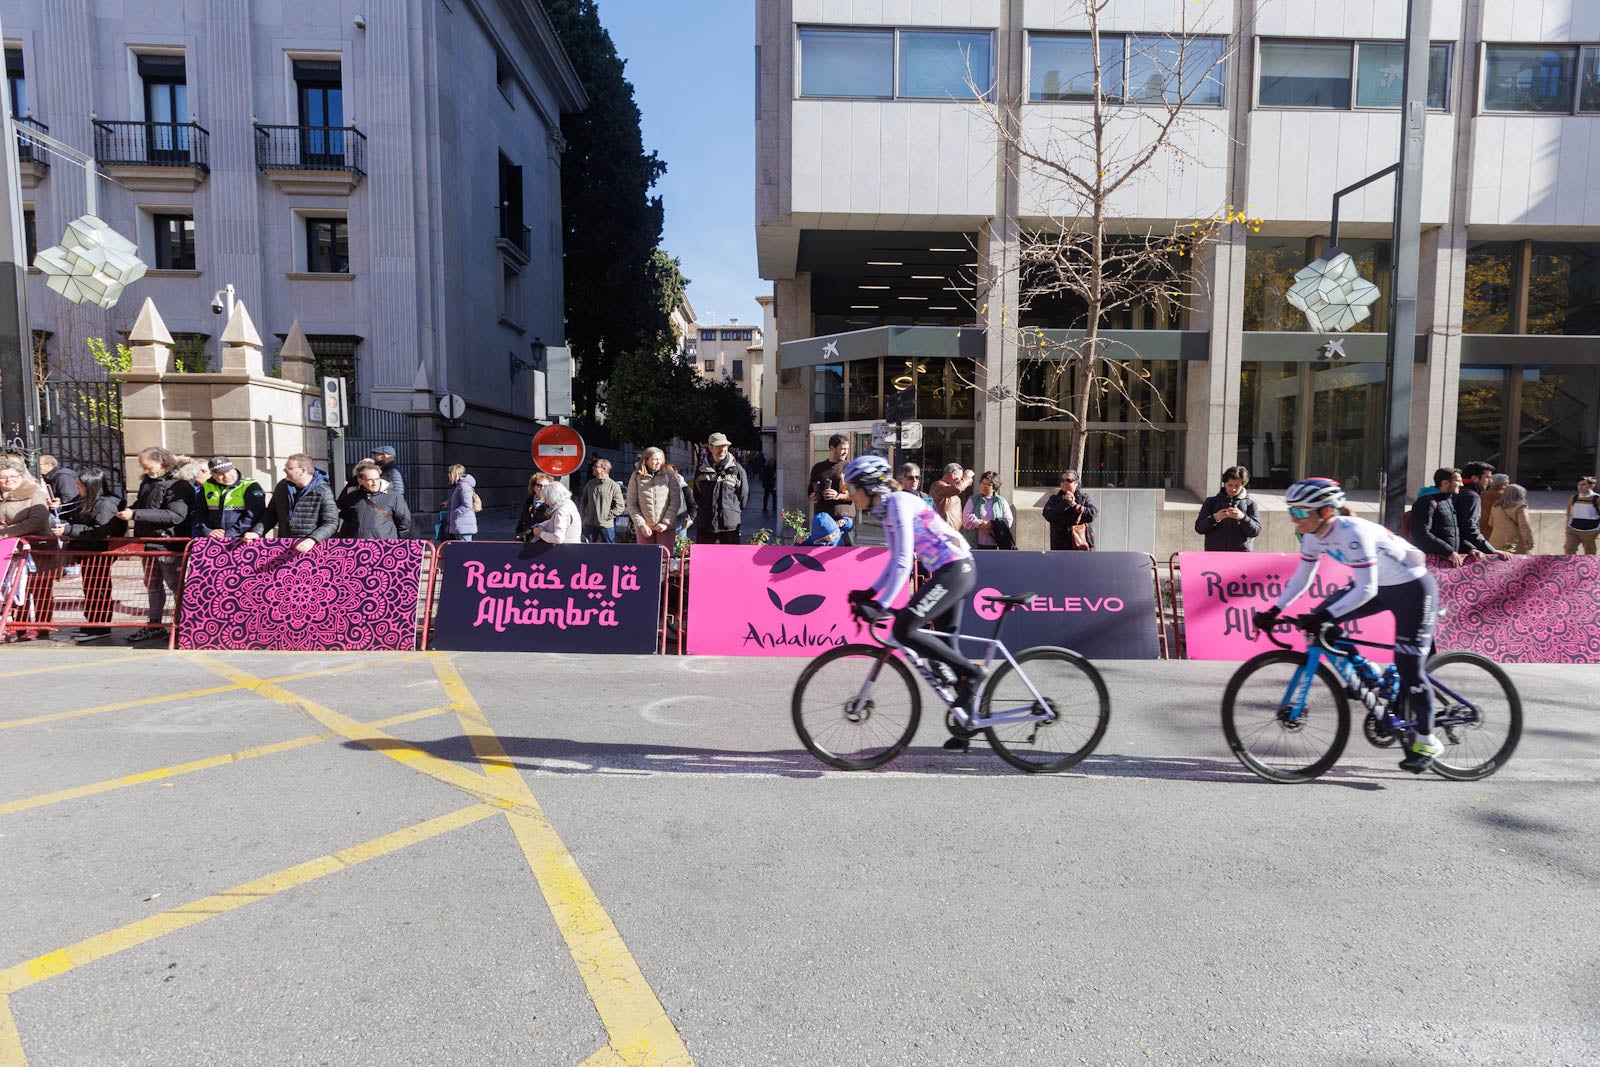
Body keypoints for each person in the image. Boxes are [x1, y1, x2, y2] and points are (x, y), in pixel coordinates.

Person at [1252, 478, 1444, 774]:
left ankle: (1427, 739)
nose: (1294, 518)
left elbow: (1364, 590)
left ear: (1325, 512)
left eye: (1301, 512)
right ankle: (1368, 673)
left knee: (1409, 666)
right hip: (1379, 587)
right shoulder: (1313, 534)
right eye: (1292, 511)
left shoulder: (1353, 532)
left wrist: (1324, 617)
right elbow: (1302, 579)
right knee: (1320, 621)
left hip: (1413, 589)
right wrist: (1274, 609)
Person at [840, 455, 984, 751]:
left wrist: (883, 605)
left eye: (854, 488)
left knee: (905, 628)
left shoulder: (899, 504)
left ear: (870, 486)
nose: (851, 495)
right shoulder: (885, 510)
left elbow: (906, 562)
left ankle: (973, 674)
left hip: (955, 568)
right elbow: (894, 560)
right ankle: (967, 724)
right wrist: (870, 593)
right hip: (951, 569)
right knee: (946, 651)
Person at [115, 446, 193, 643]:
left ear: (162, 463)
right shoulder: (149, 483)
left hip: (168, 544)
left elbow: (176, 515)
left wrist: (136, 514)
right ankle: (154, 625)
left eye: (148, 466)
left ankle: (184, 626)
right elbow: (145, 506)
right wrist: (130, 511)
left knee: (176, 587)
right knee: (153, 586)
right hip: (150, 543)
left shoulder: (179, 485)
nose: (145, 470)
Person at [53, 467, 125, 642]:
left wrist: (69, 529)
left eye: (80, 485)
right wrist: (58, 508)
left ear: (90, 486)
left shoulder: (105, 504)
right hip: (86, 550)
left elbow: (100, 531)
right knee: (91, 588)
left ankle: (100, 625)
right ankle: (92, 622)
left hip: (98, 551)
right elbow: (73, 515)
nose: (76, 488)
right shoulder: (84, 500)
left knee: (98, 589)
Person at [0, 457, 54, 640]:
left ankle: (41, 625)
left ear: (21, 476)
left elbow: (37, 519)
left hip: (37, 547)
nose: (8, 481)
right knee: (14, 587)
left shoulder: (34, 493)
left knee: (39, 588)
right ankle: (19, 624)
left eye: (12, 476)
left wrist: (6, 532)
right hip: (10, 550)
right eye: (3, 478)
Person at [253, 454, 339, 553]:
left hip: (312, 549)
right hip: (285, 547)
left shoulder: (323, 491)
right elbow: (271, 514)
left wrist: (312, 539)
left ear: (302, 471)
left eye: (288, 468)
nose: (284, 470)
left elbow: (331, 523)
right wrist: (257, 532)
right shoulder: (282, 487)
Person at [692, 432, 748, 545]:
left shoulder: (737, 470)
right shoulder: (701, 470)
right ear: (710, 448)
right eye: (718, 446)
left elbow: (743, 497)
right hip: (706, 523)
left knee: (730, 560)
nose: (722, 450)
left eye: (724, 446)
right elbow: (697, 495)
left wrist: (730, 511)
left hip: (729, 525)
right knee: (705, 559)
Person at [193, 456, 267, 539]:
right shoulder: (207, 486)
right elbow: (199, 512)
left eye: (228, 471)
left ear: (234, 468)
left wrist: (230, 534)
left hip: (244, 539)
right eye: (220, 474)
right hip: (214, 539)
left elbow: (255, 515)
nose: (226, 476)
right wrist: (207, 530)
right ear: (212, 474)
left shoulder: (250, 486)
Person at [339, 460, 412, 539]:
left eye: (377, 479)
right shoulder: (353, 497)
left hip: (384, 547)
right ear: (360, 481)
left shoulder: (394, 497)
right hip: (358, 547)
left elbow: (404, 522)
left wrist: (400, 544)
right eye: (370, 480)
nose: (374, 483)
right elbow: (345, 519)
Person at [1191, 466, 1258, 552]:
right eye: (1230, 485)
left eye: (1237, 486)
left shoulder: (1250, 504)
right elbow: (1199, 528)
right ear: (1224, 484)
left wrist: (1243, 518)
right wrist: (1214, 518)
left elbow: (1255, 531)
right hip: (1215, 554)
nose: (1233, 489)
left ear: (1243, 485)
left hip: (1241, 555)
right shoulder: (1211, 502)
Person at [1454, 461, 1511, 561]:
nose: (1490, 481)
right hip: (1462, 552)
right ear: (1475, 478)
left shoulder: (1457, 492)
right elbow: (1470, 527)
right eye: (1487, 478)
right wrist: (1492, 551)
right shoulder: (1471, 496)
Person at [1409, 468, 1466, 565]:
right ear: (1445, 483)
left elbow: (1451, 535)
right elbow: (1421, 534)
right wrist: (1448, 551)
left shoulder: (1448, 501)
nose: (1462, 485)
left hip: (1445, 563)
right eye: (1458, 481)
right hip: (1429, 563)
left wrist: (1471, 549)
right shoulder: (1427, 502)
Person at [626, 447, 679, 550]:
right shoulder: (636, 476)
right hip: (644, 528)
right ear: (646, 460)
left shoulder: (669, 474)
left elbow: (675, 500)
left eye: (660, 459)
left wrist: (665, 523)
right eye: (655, 459)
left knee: (664, 559)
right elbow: (632, 503)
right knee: (646, 559)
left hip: (665, 528)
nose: (658, 462)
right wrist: (641, 524)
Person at [808, 434, 855, 546]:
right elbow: (810, 491)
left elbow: (855, 494)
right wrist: (812, 495)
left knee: (842, 555)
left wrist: (838, 495)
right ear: (832, 448)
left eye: (847, 449)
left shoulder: (850, 467)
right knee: (822, 554)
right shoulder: (818, 468)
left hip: (843, 519)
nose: (846, 452)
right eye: (842, 449)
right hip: (823, 520)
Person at [1043, 469, 1100, 551]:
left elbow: (1092, 514)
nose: (1064, 483)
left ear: (1076, 483)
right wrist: (1065, 503)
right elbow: (1048, 514)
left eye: (1068, 480)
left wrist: (1075, 506)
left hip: (1082, 545)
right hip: (1061, 546)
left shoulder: (1084, 498)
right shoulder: (1055, 499)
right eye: (1062, 480)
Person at [962, 470, 1014, 549]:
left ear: (994, 487)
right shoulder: (973, 500)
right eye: (983, 483)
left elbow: (1008, 520)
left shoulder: (1001, 501)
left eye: (988, 484)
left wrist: (992, 525)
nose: (984, 486)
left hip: (997, 545)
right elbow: (966, 519)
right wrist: (980, 523)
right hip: (975, 545)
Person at [579, 458, 626, 543]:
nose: (592, 468)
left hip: (606, 526)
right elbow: (583, 501)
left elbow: (620, 506)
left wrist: (608, 516)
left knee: (609, 551)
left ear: (603, 469)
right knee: (587, 550)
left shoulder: (613, 486)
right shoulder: (590, 484)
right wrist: (583, 517)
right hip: (589, 525)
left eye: (596, 466)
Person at [1486, 483, 1534, 555]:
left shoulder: (1496, 506)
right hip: (1512, 542)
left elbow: (1491, 523)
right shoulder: (1520, 507)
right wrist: (1529, 541)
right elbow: (1524, 525)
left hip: (1495, 540)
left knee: (1499, 563)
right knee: (1511, 561)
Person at [440, 464, 478, 541]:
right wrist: (449, 503)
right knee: (460, 548)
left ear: (455, 474)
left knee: (465, 548)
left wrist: (455, 512)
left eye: (450, 473)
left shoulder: (464, 487)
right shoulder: (458, 487)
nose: (448, 475)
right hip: (460, 523)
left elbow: (467, 505)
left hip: (464, 524)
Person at [930, 463, 973, 532]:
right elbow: (957, 488)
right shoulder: (938, 486)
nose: (960, 481)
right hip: (943, 530)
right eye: (960, 478)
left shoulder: (949, 488)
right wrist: (966, 478)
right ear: (953, 474)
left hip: (951, 530)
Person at [37, 454, 79, 521]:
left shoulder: (62, 476)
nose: (36, 468)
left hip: (66, 516)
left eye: (38, 465)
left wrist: (56, 509)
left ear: (48, 465)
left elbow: (68, 498)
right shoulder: (51, 477)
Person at [1565, 475, 1600, 555]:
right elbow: (1569, 514)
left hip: (1591, 531)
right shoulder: (1574, 498)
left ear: (1592, 486)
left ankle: (1590, 567)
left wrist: (1597, 530)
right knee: (1569, 548)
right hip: (1573, 529)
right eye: (1578, 484)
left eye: (1583, 484)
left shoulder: (1597, 498)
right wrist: (1567, 527)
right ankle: (1571, 566)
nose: (1580, 487)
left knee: (1590, 553)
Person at [515, 472, 554, 541]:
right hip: (528, 540)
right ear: (533, 487)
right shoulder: (528, 501)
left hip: (544, 540)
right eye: (539, 485)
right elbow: (522, 522)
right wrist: (518, 535)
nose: (542, 488)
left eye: (545, 486)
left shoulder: (552, 503)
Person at [1478, 472, 1508, 540]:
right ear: (1502, 485)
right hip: (1496, 527)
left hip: (1482, 525)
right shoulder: (1503, 497)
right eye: (1507, 483)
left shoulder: (1482, 495)